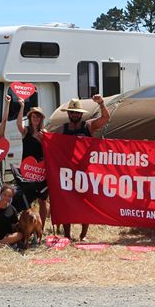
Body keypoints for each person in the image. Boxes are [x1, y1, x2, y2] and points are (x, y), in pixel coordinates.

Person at [55, 95, 111, 241]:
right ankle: (67, 235)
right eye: (72, 112)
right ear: (68, 114)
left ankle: (83, 235)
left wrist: (101, 103)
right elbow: (49, 141)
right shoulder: (62, 129)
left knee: (85, 203)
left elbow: (106, 118)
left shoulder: (88, 126)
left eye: (77, 112)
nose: (74, 115)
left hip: (84, 171)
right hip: (67, 172)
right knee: (67, 203)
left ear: (81, 114)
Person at [15, 104, 49, 227]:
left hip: (41, 171)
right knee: (25, 200)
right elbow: (19, 124)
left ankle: (42, 227)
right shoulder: (26, 131)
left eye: (38, 117)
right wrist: (22, 107)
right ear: (30, 117)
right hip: (27, 170)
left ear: (41, 119)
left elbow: (49, 150)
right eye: (34, 116)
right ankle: (26, 227)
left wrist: (42, 140)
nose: (36, 118)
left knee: (42, 201)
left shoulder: (44, 132)